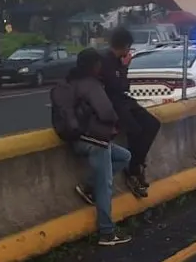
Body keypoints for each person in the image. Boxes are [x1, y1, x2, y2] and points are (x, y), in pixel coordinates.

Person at [59, 49, 133, 246]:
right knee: (105, 186)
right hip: (96, 142)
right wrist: (116, 124)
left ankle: (89, 186)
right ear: (94, 66)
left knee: (124, 156)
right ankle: (107, 233)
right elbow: (107, 112)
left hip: (76, 141)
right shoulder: (91, 85)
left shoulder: (70, 83)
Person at [100, 27, 161, 198]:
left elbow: (123, 87)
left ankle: (138, 165)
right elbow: (119, 86)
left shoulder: (116, 61)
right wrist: (125, 67)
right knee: (135, 130)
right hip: (114, 104)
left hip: (124, 102)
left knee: (153, 124)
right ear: (125, 46)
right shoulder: (106, 62)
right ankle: (133, 170)